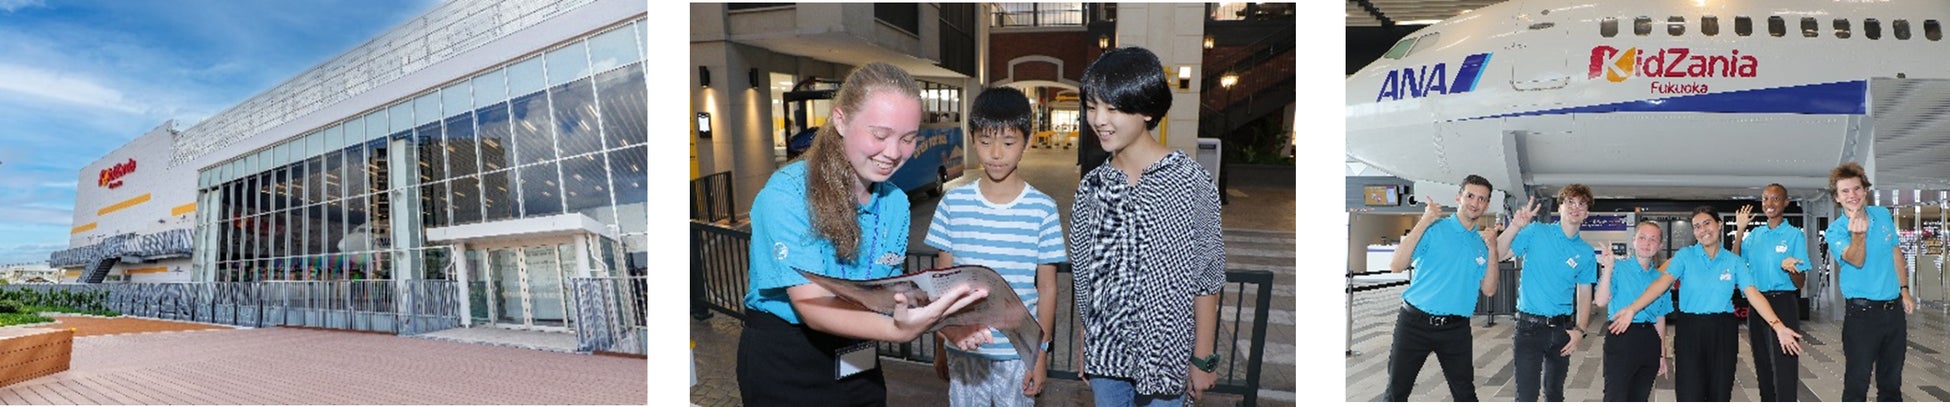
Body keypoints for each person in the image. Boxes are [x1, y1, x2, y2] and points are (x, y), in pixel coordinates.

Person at [737, 62, 990, 406]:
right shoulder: (787, 194)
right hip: (788, 358)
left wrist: (945, 323)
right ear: (840, 120)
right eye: (880, 135)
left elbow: (889, 295)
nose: (894, 153)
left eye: (908, 138)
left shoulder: (895, 203)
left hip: (858, 353)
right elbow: (812, 307)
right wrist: (897, 331)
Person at [1069, 46, 1225, 406]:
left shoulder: (1190, 182)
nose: (1099, 119)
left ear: (1148, 109)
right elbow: (1087, 281)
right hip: (1106, 354)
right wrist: (1085, 344)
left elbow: (1207, 275)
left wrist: (1203, 358)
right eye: (1092, 107)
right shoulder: (1092, 188)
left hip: (1167, 355)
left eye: (1113, 108)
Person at [924, 86, 1064, 407]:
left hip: (1017, 353)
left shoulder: (1042, 209)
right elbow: (943, 284)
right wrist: (941, 344)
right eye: (986, 142)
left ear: (1027, 141)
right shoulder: (952, 203)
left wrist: (1040, 353)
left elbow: (1048, 288)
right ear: (972, 139)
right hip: (963, 346)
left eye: (1009, 142)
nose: (996, 153)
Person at [1608, 206, 1802, 402]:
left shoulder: (1733, 261)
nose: (1703, 230)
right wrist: (1632, 309)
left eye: (1707, 223)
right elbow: (1660, 284)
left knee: (1720, 392)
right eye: (1697, 226)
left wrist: (1778, 326)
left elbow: (1753, 294)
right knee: (1689, 392)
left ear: (1719, 224)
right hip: (1690, 330)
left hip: (1723, 330)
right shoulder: (1685, 256)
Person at [1382, 174, 1499, 402]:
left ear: (1487, 205)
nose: (1475, 203)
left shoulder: (1481, 245)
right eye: (1470, 196)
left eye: (1482, 199)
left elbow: (1489, 290)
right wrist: (1424, 221)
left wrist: (1493, 249)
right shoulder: (1434, 229)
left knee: (1466, 395)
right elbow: (1396, 265)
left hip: (1455, 329)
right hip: (1414, 323)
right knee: (1396, 392)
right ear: (1458, 197)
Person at [1493, 185, 1598, 402]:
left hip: (1562, 329)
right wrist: (1514, 226)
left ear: (1586, 213)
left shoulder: (1586, 252)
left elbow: (1585, 293)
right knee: (1526, 397)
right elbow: (1499, 254)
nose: (1575, 208)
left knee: (1554, 394)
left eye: (1581, 204)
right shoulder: (1536, 232)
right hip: (1528, 329)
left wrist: (1580, 330)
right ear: (1560, 208)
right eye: (1570, 202)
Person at [1824, 162, 1913, 402]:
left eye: (1856, 188)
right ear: (1837, 197)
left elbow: (1895, 252)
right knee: (1857, 382)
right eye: (1845, 191)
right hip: (1862, 316)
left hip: (1894, 312)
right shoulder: (1835, 231)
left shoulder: (1882, 214)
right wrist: (1858, 236)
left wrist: (1904, 289)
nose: (1852, 195)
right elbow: (1856, 260)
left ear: (1865, 190)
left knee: (1892, 382)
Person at [1729, 183, 1812, 402]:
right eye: (1766, 198)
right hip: (1757, 303)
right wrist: (1739, 230)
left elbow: (1800, 283)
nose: (1769, 203)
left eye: (1776, 199)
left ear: (1785, 202)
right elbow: (1734, 263)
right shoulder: (1755, 235)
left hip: (1783, 303)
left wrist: (1793, 269)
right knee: (1762, 362)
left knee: (1785, 363)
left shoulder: (1794, 235)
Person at [1593, 221, 1673, 402]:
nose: (1647, 243)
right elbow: (1600, 301)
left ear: (1660, 245)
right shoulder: (1618, 268)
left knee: (1640, 398)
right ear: (1634, 241)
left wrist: (1662, 355)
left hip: (1650, 341)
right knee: (1615, 397)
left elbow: (1660, 319)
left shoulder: (1661, 279)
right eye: (1642, 238)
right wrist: (1608, 268)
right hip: (1622, 336)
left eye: (1653, 239)